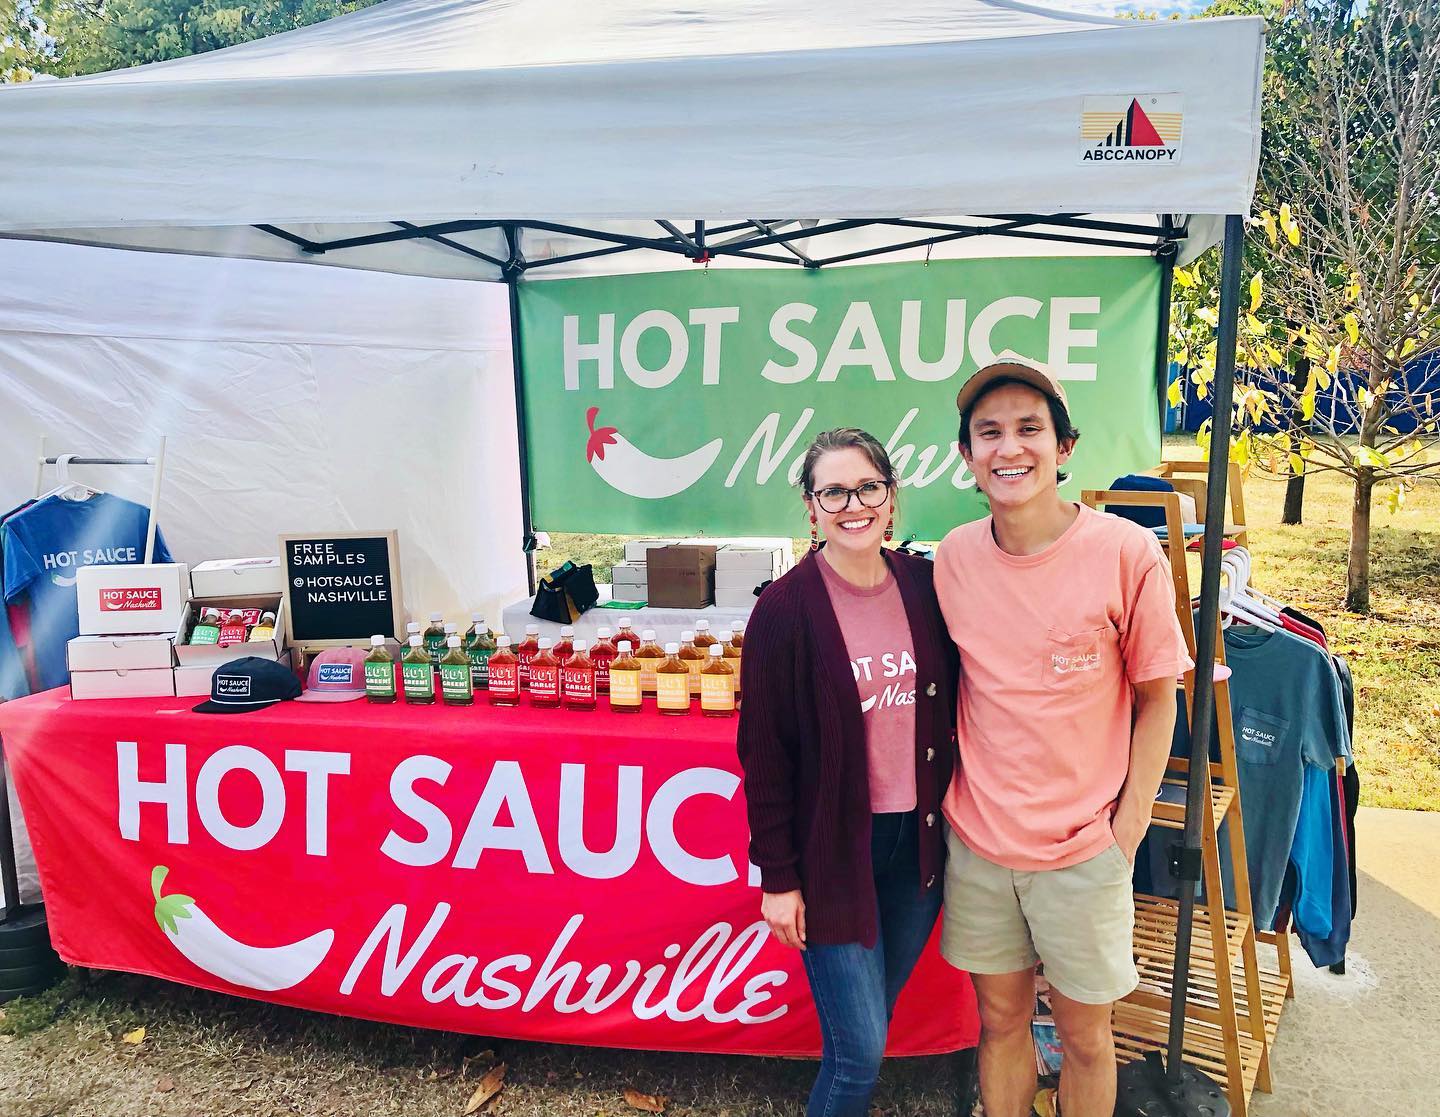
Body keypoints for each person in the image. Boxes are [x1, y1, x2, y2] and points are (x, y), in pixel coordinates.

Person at [934, 362, 1192, 1117]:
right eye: (989, 432)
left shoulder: (1124, 553)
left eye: (1028, 429)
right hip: (980, 845)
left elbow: (1158, 697)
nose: (1008, 448)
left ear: (1064, 446)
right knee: (1002, 1024)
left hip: (1085, 848)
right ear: (967, 456)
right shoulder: (953, 558)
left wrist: (1128, 824)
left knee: (1085, 1037)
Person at [737, 428, 957, 1117]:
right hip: (836, 853)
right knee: (860, 1053)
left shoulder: (926, 587)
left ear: (892, 499)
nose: (853, 504)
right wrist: (779, 877)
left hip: (916, 850)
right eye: (834, 490)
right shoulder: (783, 610)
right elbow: (764, 755)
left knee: (865, 1030)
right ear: (812, 506)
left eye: (868, 487)